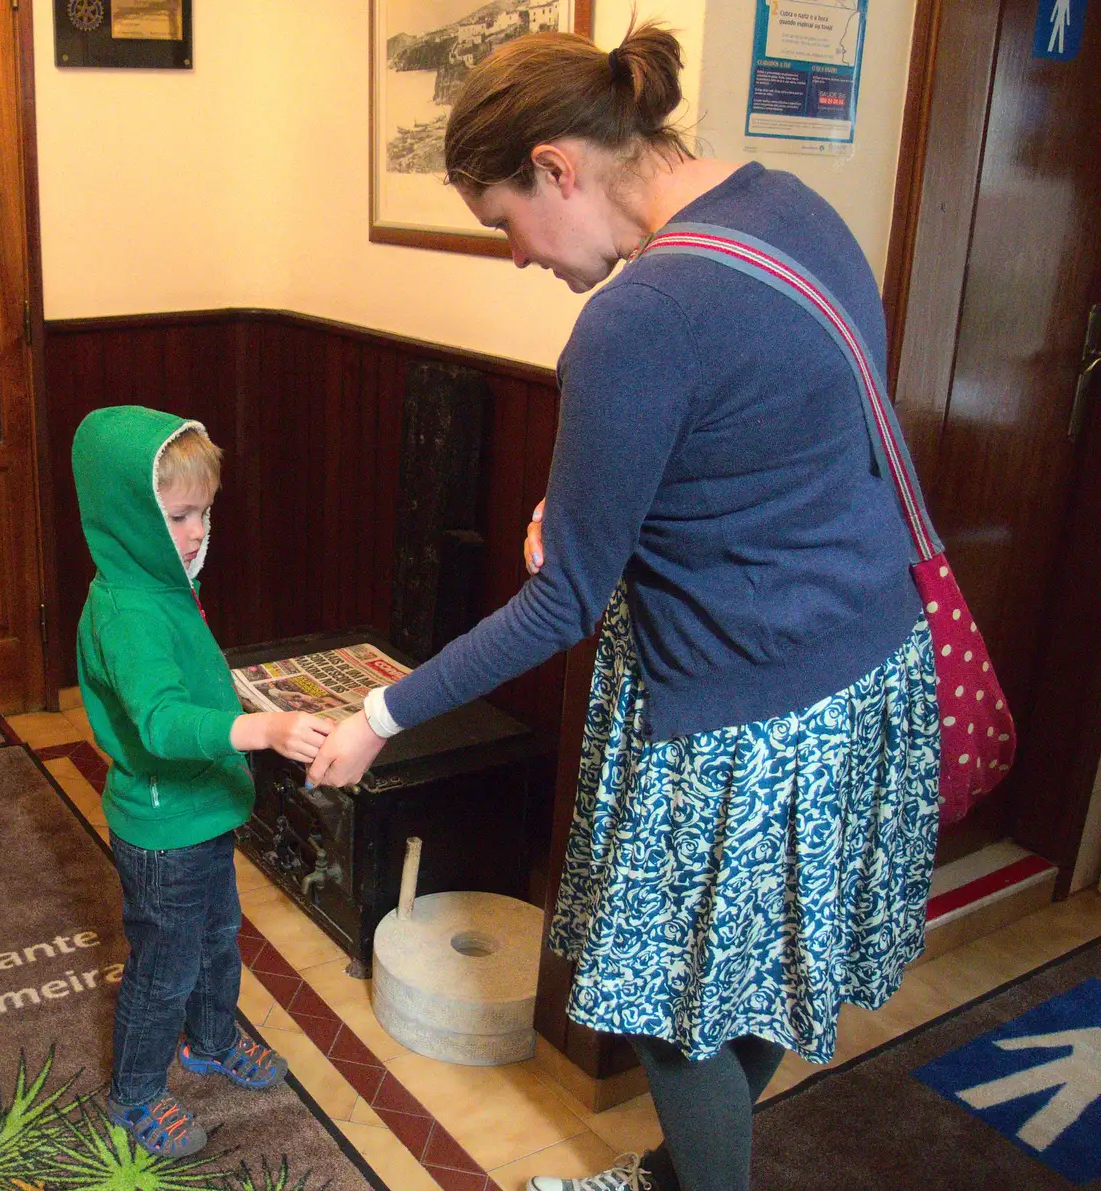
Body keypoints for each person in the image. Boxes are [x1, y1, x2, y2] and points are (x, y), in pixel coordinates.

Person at [308, 23, 940, 1191]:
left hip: (737, 714)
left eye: (502, 220)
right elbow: (776, 435)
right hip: (866, 672)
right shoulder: (788, 210)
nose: (513, 256)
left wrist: (378, 716)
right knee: (753, 973)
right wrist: (604, 500)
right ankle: (670, 1174)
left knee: (673, 1004)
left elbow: (559, 610)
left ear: (557, 165)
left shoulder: (637, 316)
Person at [72, 406, 334, 1157]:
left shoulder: (162, 582)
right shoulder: (127, 609)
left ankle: (212, 1039)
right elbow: (157, 721)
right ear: (129, 516)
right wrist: (260, 730)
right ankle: (135, 1092)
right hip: (162, 828)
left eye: (204, 512)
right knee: (164, 964)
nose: (195, 532)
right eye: (178, 514)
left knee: (219, 937)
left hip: (204, 810)